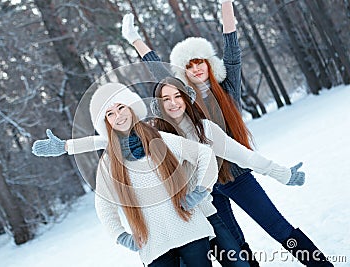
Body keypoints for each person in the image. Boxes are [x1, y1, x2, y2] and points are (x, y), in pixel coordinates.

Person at [121, 1, 334, 266]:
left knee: (279, 228)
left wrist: (226, 4)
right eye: (189, 66)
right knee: (233, 247)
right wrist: (134, 39)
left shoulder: (228, 87)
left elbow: (231, 45)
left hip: (238, 175)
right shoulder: (183, 99)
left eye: (200, 62)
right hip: (206, 186)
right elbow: (158, 69)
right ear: (183, 72)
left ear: (209, 64)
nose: (196, 69)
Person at [33, 82, 251, 266]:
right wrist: (121, 236)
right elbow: (104, 206)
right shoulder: (109, 162)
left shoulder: (160, 139)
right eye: (110, 113)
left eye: (121, 108)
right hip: (154, 247)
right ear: (106, 122)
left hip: (190, 231)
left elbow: (204, 154)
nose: (118, 116)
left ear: (131, 108)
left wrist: (200, 191)